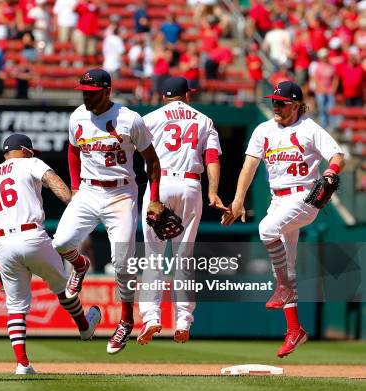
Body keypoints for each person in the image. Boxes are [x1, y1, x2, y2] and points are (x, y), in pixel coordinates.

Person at [222, 81, 345, 358]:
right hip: (277, 199)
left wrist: (331, 172)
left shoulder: (309, 128)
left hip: (305, 196)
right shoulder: (263, 129)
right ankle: (295, 330)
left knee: (266, 230)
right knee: (286, 266)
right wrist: (239, 199)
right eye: (274, 102)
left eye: (282, 102)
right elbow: (249, 166)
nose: (276, 106)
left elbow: (338, 155)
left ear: (297, 105)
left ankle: (283, 288)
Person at [0, 133, 102, 374]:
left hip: (3, 243)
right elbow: (54, 182)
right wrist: (73, 203)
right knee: (63, 287)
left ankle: (22, 364)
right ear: (26, 150)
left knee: (15, 306)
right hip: (33, 236)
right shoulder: (31, 162)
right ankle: (85, 327)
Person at [52, 68, 162, 355]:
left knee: (123, 263)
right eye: (83, 93)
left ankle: (126, 320)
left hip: (121, 192)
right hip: (88, 190)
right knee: (61, 242)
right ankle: (80, 265)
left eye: (91, 93)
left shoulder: (129, 119)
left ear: (106, 91)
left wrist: (156, 198)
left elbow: (152, 160)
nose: (86, 98)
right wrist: (75, 186)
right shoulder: (77, 116)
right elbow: (73, 150)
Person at [136, 77, 226, 346]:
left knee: (153, 256)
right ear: (186, 95)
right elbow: (212, 158)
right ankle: (183, 320)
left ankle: (151, 318)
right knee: (183, 257)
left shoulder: (150, 118)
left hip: (159, 184)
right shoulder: (204, 119)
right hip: (190, 185)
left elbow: (132, 149)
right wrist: (212, 192)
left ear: (164, 97)